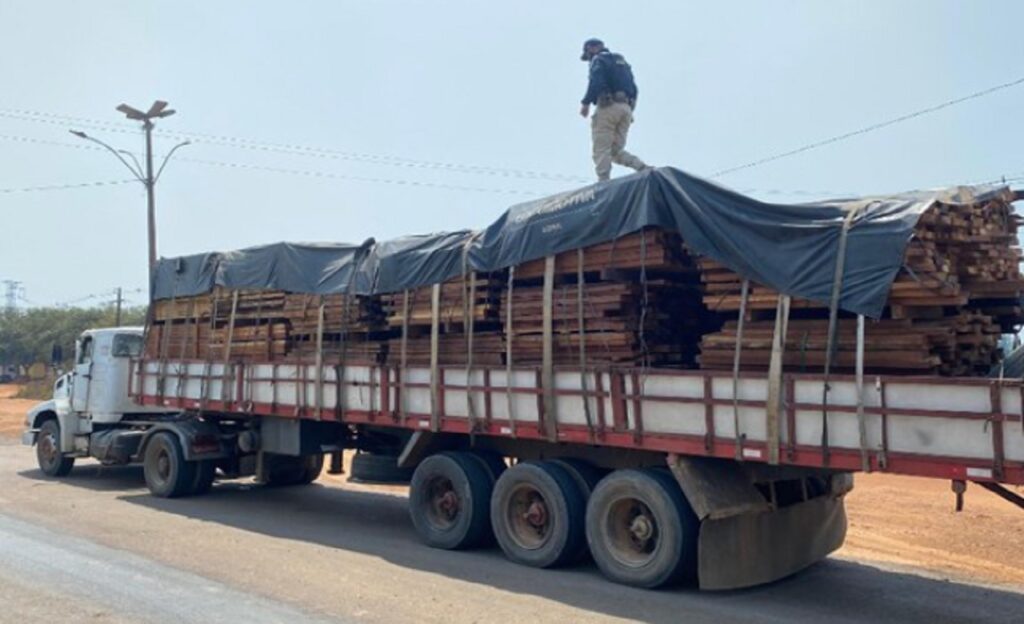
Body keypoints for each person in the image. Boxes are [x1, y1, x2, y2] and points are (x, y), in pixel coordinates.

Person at [579, 38, 649, 181]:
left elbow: (596, 81)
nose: (588, 58)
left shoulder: (599, 59)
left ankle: (603, 183)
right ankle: (642, 167)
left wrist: (585, 103)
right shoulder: (622, 63)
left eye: (588, 53)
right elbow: (634, 89)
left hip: (608, 108)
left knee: (601, 149)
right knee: (615, 151)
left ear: (592, 48)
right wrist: (630, 110)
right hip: (626, 110)